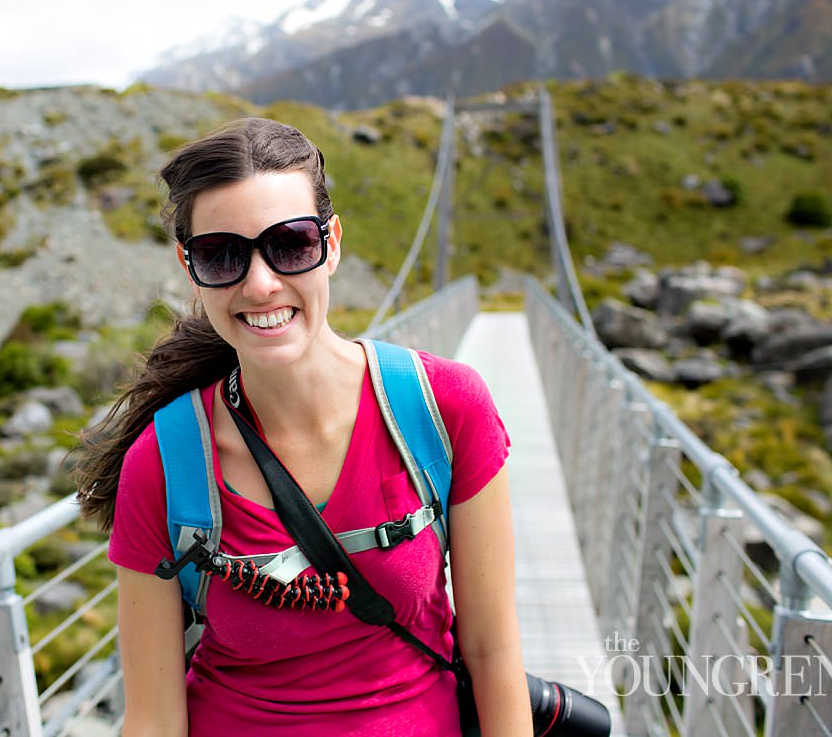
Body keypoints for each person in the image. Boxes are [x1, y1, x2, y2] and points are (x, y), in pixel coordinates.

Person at [76, 117, 531, 735]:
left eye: (289, 244)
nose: (260, 283)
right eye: (221, 255)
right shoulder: (164, 463)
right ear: (190, 267)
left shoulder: (442, 409)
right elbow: (154, 720)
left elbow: (493, 655)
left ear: (332, 243)